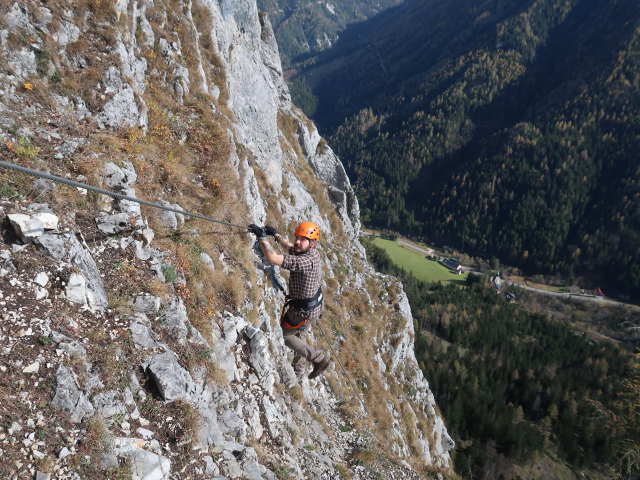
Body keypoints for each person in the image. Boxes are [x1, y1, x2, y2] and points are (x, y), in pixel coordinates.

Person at [248, 221, 331, 380]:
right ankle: (299, 370)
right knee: (300, 334)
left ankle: (318, 359)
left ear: (312, 243)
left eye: (303, 239)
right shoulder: (310, 252)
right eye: (297, 237)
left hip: (302, 310)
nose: (298, 242)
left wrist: (262, 238)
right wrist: (276, 235)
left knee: (286, 335)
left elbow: (272, 258)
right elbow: (291, 248)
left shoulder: (305, 261)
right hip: (314, 305)